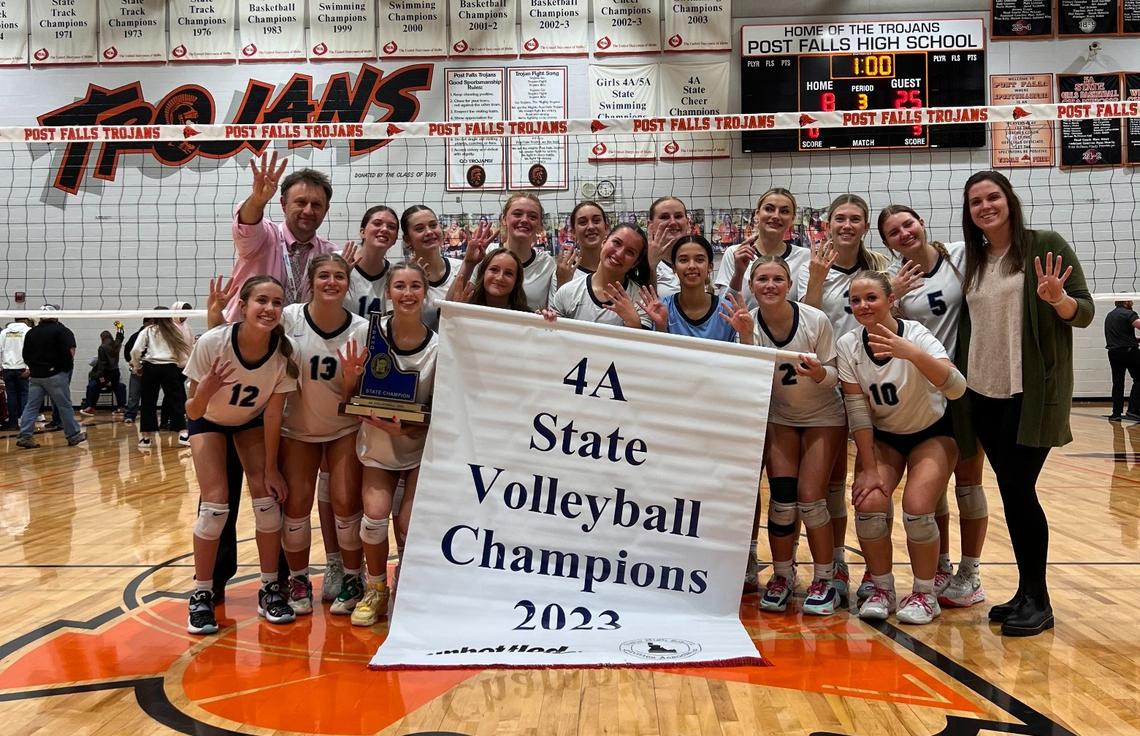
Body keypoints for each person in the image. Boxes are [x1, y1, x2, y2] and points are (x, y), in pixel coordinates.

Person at [955, 170, 1093, 636]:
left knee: (1019, 490)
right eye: (976, 201)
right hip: (983, 393)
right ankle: (1025, 592)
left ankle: (1039, 599)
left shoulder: (1044, 244)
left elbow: (1084, 312)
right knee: (1013, 492)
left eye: (992, 197)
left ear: (1009, 200)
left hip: (1029, 393)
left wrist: (1058, 300)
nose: (985, 206)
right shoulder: (974, 260)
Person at [837, 271, 967, 625]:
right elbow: (858, 413)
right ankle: (883, 589)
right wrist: (867, 468)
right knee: (869, 503)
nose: (863, 305)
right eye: (856, 300)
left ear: (890, 300)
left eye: (871, 298)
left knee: (918, 509)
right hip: (885, 436)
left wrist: (912, 354)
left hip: (933, 432)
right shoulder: (848, 345)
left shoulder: (917, 335)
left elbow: (957, 388)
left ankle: (925, 594)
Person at [879, 204, 989, 610]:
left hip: (966, 386)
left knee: (969, 482)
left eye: (908, 224)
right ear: (887, 243)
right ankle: (941, 565)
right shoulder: (895, 280)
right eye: (894, 232)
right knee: (934, 486)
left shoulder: (960, 256)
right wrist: (893, 296)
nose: (904, 233)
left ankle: (971, 572)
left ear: (921, 223)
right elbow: (883, 328)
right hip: (923, 392)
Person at [723, 256, 847, 615]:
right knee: (781, 500)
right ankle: (781, 575)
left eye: (778, 278)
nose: (770, 285)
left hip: (823, 416)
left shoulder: (815, 319)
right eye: (762, 279)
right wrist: (746, 336)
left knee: (811, 499)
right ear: (752, 285)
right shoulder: (748, 322)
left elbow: (835, 377)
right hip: (781, 418)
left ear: (790, 285)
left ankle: (824, 579)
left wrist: (818, 373)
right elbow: (749, 378)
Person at [183, 276, 300, 635]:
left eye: (277, 302)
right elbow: (192, 409)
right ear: (244, 306)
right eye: (262, 300)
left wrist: (271, 469)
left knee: (267, 502)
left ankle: (269, 588)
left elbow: (273, 415)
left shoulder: (284, 353)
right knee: (215, 507)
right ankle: (202, 594)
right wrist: (206, 391)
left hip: (250, 421)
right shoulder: (213, 343)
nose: (269, 308)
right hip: (208, 419)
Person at [800, 194, 891, 600]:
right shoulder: (811, 265)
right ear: (829, 224)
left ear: (866, 226)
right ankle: (836, 563)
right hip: (828, 381)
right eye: (840, 218)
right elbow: (804, 321)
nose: (847, 225)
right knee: (833, 483)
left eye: (856, 219)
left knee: (878, 478)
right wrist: (817, 280)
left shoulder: (880, 269)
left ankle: (878, 572)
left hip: (874, 380)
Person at [278, 254, 369, 617]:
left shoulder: (361, 329)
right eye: (324, 276)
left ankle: (353, 577)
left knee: (346, 503)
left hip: (343, 426)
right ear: (311, 282)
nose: (331, 282)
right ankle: (299, 580)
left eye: (339, 277)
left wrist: (350, 382)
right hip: (297, 428)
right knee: (297, 506)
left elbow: (359, 396)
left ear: (348, 283)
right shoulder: (289, 318)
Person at [350, 262, 439, 626]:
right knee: (373, 519)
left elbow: (440, 410)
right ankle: (375, 589)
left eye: (415, 286)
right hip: (377, 444)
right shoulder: (369, 334)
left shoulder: (438, 347)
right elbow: (349, 396)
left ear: (425, 293)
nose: (407, 293)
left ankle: (410, 584)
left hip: (418, 448)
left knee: (410, 523)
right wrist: (350, 380)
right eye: (399, 286)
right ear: (388, 292)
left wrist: (407, 430)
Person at [225, 153, 336, 319]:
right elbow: (247, 223)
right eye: (301, 202)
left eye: (316, 205)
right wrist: (257, 200)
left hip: (298, 333)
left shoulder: (330, 253)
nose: (308, 210)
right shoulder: (264, 237)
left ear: (326, 209)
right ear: (284, 204)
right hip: (247, 332)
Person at [546, 223, 655, 329]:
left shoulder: (641, 301)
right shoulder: (568, 292)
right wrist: (545, 321)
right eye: (617, 243)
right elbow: (553, 335)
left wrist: (633, 322)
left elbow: (645, 341)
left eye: (630, 252)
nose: (619, 254)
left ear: (635, 263)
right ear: (604, 241)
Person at [716, 188, 812, 308]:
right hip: (742, 321)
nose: (776, 216)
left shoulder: (805, 256)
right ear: (757, 214)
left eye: (784, 211)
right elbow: (723, 308)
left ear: (792, 219)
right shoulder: (735, 253)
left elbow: (809, 311)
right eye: (769, 209)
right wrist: (738, 274)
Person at [639, 235, 736, 342]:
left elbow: (737, 352)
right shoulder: (662, 307)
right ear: (674, 268)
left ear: (710, 267)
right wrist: (661, 327)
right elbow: (656, 351)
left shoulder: (727, 310)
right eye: (684, 260)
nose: (691, 266)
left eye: (699, 260)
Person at [16, 306, 86, 449]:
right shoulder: (63, 331)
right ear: (56, 316)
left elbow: (25, 355)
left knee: (31, 406)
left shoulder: (31, 332)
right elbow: (70, 353)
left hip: (36, 376)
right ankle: (73, 435)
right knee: (64, 406)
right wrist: (63, 369)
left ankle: (25, 436)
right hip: (55, 375)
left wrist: (34, 368)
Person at [130, 311, 192, 450]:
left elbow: (135, 350)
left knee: (147, 402)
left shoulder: (148, 330)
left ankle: (146, 438)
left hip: (150, 367)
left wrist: (137, 366)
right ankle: (183, 434)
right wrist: (179, 365)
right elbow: (182, 353)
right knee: (176, 400)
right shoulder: (174, 330)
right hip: (169, 368)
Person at [400, 204, 465, 331]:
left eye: (433, 225)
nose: (429, 232)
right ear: (407, 239)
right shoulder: (401, 276)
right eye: (419, 229)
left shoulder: (462, 268)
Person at [493, 193, 560, 310]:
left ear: (540, 225)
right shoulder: (487, 254)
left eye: (532, 217)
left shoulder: (547, 264)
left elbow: (555, 311)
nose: (524, 220)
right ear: (504, 219)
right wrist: (469, 263)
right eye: (517, 214)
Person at [344, 205, 400, 318]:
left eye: (391, 227)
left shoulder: (394, 275)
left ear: (395, 239)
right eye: (377, 223)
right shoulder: (338, 261)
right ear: (362, 232)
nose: (384, 229)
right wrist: (339, 275)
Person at [447, 249, 531, 311]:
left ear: (516, 281)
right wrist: (456, 312)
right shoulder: (465, 308)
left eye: (508, 273)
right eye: (494, 269)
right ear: (483, 274)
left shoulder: (529, 317)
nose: (500, 278)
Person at [645, 196, 693, 298]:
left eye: (678, 216)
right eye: (664, 217)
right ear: (650, 225)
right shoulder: (640, 263)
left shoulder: (697, 259)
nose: (673, 222)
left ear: (687, 223)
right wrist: (651, 266)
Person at [556, 201, 609, 284]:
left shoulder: (617, 267)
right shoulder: (563, 272)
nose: (591, 227)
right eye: (583, 222)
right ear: (573, 232)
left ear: (606, 228)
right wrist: (562, 281)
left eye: (596, 221)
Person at [1104, 300, 1140, 420]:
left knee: (1118, 383)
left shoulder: (1110, 315)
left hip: (1113, 352)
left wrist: (1135, 339)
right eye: (1130, 301)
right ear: (1125, 302)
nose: (1132, 303)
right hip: (1129, 351)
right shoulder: (1129, 313)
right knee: (1139, 378)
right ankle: (1133, 410)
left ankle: (1116, 414)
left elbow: (1120, 336)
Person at [80, 323, 126, 416]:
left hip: (106, 373)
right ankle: (121, 408)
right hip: (115, 372)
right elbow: (120, 336)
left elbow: (102, 365)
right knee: (117, 387)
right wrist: (120, 327)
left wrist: (101, 378)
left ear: (102, 338)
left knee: (94, 386)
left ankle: (91, 407)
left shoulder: (102, 347)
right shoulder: (116, 344)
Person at [2, 317, 32, 430]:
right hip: (23, 368)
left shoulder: (4, 332)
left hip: (7, 368)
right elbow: (32, 350)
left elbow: (0, 350)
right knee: (25, 395)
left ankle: (13, 423)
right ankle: (24, 423)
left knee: (11, 396)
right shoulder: (29, 331)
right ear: (26, 320)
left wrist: (1, 367)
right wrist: (29, 368)